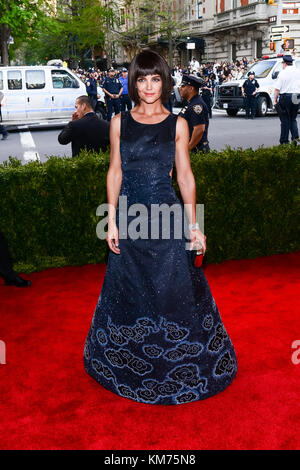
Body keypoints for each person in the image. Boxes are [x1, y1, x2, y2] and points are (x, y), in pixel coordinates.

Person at [83, 50, 237, 405]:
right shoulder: (119, 122)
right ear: (133, 83)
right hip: (131, 219)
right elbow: (115, 172)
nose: (149, 87)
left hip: (167, 220)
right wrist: (110, 220)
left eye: (155, 79)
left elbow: (184, 176)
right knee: (129, 294)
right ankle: (128, 364)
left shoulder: (178, 124)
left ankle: (183, 366)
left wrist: (194, 225)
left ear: (164, 81)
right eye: (141, 79)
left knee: (175, 293)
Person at [178, 74, 210, 153]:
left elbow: (199, 129)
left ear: (191, 89)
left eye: (183, 86)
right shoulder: (190, 103)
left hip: (196, 150)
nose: (180, 89)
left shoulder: (196, 105)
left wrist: (188, 149)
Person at [274, 55, 300, 145]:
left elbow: (277, 89)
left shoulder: (282, 73)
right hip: (296, 96)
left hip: (286, 97)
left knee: (285, 119)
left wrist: (275, 100)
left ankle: (284, 141)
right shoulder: (298, 71)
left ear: (284, 63)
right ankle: (295, 139)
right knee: (293, 119)